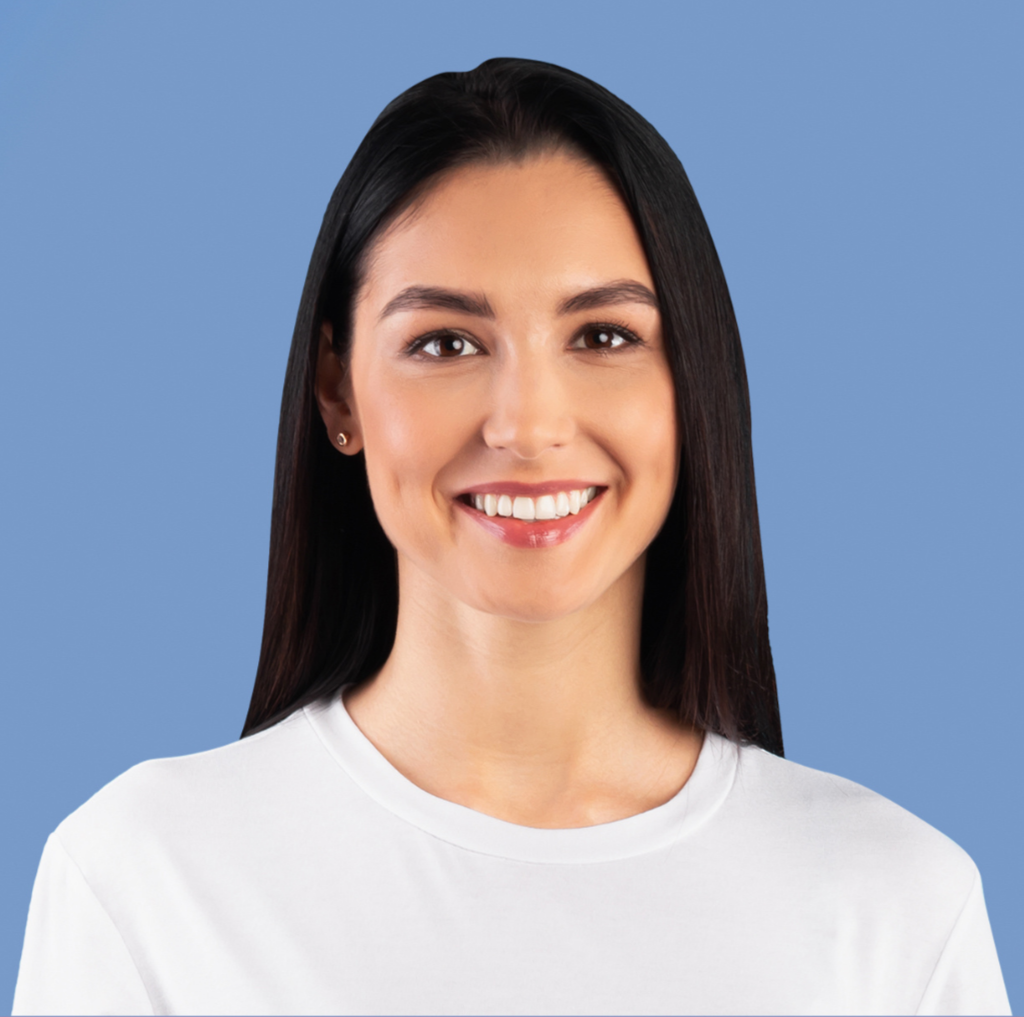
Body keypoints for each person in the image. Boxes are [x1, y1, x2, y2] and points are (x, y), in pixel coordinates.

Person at [12, 57, 1010, 1016]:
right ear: (336, 389)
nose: (527, 425)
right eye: (445, 343)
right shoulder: (146, 882)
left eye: (602, 337)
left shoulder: (895, 907)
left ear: (691, 383)